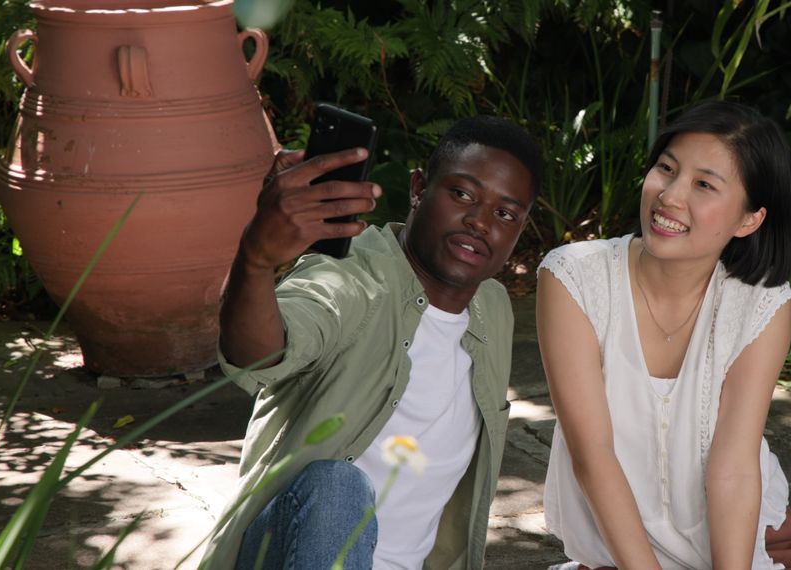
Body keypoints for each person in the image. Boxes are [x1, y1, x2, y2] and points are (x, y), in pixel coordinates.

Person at [536, 100, 791, 569]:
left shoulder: (761, 305)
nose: (670, 195)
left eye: (704, 184)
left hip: (743, 541)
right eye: (665, 169)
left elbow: (733, 469)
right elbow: (593, 455)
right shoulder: (574, 278)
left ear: (748, 220)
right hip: (622, 556)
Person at [202, 115, 543, 569]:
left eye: (504, 213)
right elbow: (259, 356)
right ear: (419, 187)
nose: (480, 222)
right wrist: (256, 261)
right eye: (462, 194)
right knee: (336, 486)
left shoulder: (493, 308)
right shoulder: (351, 278)